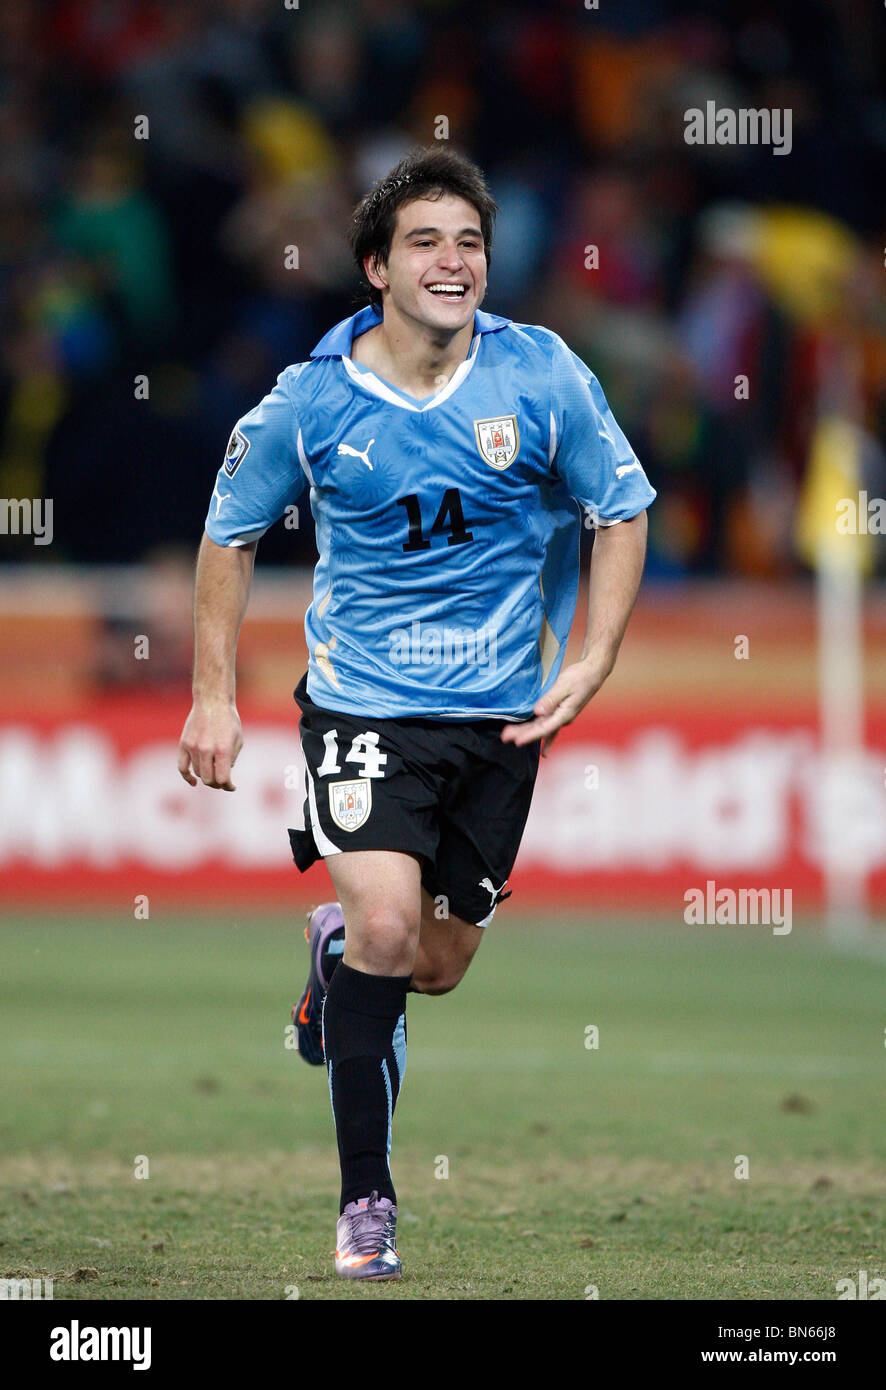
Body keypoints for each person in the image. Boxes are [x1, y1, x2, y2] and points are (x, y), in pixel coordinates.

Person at [177, 146, 655, 1282]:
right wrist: (211, 694)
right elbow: (228, 536)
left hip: (498, 719)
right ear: (377, 269)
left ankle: (335, 954)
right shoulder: (312, 399)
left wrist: (591, 655)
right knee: (393, 927)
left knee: (430, 961)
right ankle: (366, 1204)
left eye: (471, 242)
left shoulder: (540, 376)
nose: (455, 261)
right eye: (428, 243)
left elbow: (620, 509)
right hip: (361, 710)